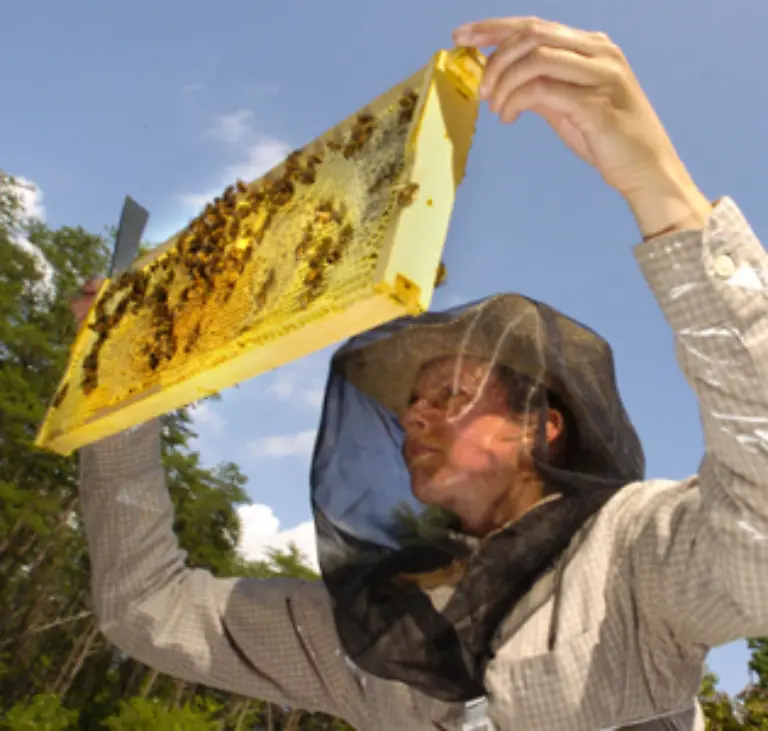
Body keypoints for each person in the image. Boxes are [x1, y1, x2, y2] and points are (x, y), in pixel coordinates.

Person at [71, 16, 768, 731]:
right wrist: (119, 406)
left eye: (452, 395)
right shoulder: (373, 616)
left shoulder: (634, 556)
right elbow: (147, 606)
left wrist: (663, 189)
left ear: (541, 425)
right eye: (410, 402)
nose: (414, 415)